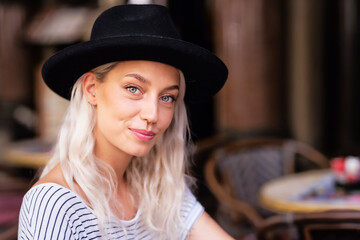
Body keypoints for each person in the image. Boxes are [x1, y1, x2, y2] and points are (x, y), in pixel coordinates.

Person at [18, 4, 233, 240]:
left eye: (167, 97)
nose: (153, 114)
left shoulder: (159, 186)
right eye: (134, 89)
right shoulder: (55, 206)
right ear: (91, 89)